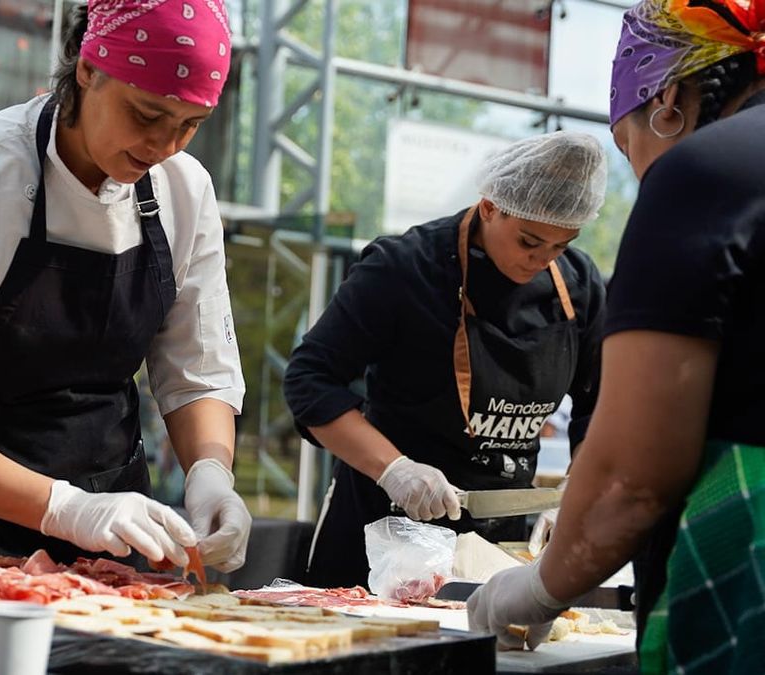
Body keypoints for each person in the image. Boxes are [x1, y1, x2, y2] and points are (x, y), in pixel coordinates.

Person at [0, 0, 252, 575]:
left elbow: (197, 373)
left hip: (113, 535)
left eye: (189, 125)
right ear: (89, 69)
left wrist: (211, 474)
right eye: (146, 115)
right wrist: (68, 509)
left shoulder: (184, 190)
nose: (163, 147)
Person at [466, 1, 765, 670]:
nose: (637, 169)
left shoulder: (705, 174)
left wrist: (544, 584)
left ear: (667, 102)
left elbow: (635, 474)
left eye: (628, 146)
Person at [284, 131, 608, 589]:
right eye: (529, 241)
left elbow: (603, 403)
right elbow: (309, 380)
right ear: (490, 207)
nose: (542, 260)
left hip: (498, 546)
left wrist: (581, 486)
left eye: (561, 245)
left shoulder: (580, 286)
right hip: (382, 535)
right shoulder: (404, 267)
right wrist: (396, 470)